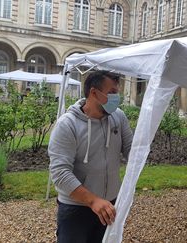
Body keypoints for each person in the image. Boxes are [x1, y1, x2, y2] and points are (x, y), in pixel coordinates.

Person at [48, 70, 133, 243]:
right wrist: (93, 201)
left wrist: (143, 146)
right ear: (94, 93)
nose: (117, 98)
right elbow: (60, 173)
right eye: (112, 93)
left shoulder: (119, 117)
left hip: (109, 205)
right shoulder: (67, 125)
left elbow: (131, 150)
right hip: (76, 208)